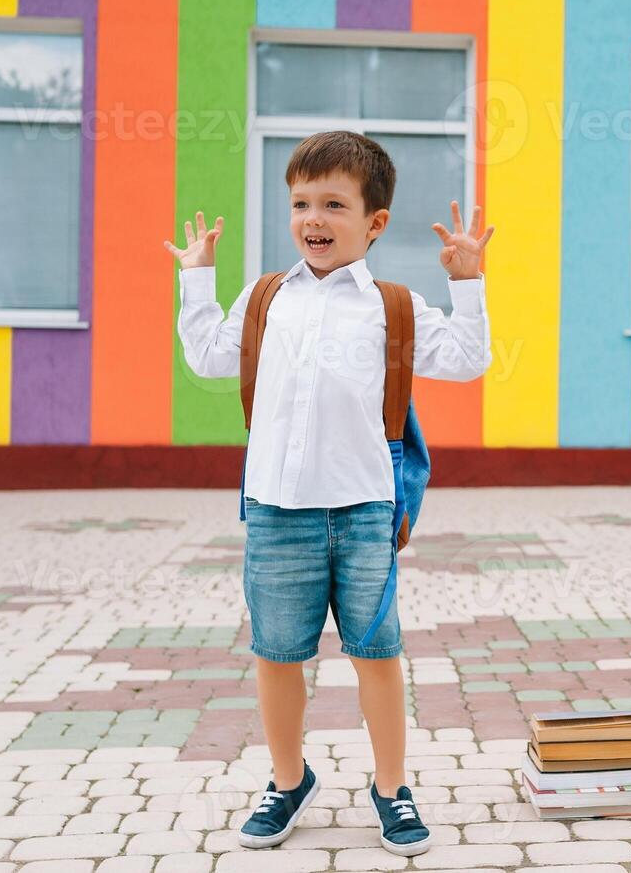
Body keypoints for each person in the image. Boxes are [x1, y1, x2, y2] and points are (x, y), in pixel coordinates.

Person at [163, 130, 495, 853]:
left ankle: (391, 787)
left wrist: (467, 279)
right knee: (278, 653)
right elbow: (206, 356)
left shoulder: (392, 307)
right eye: (301, 203)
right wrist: (196, 278)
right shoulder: (264, 300)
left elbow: (469, 361)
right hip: (277, 508)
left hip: (364, 508)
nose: (313, 218)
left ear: (374, 223)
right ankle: (287, 781)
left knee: (376, 652)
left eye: (334, 204)